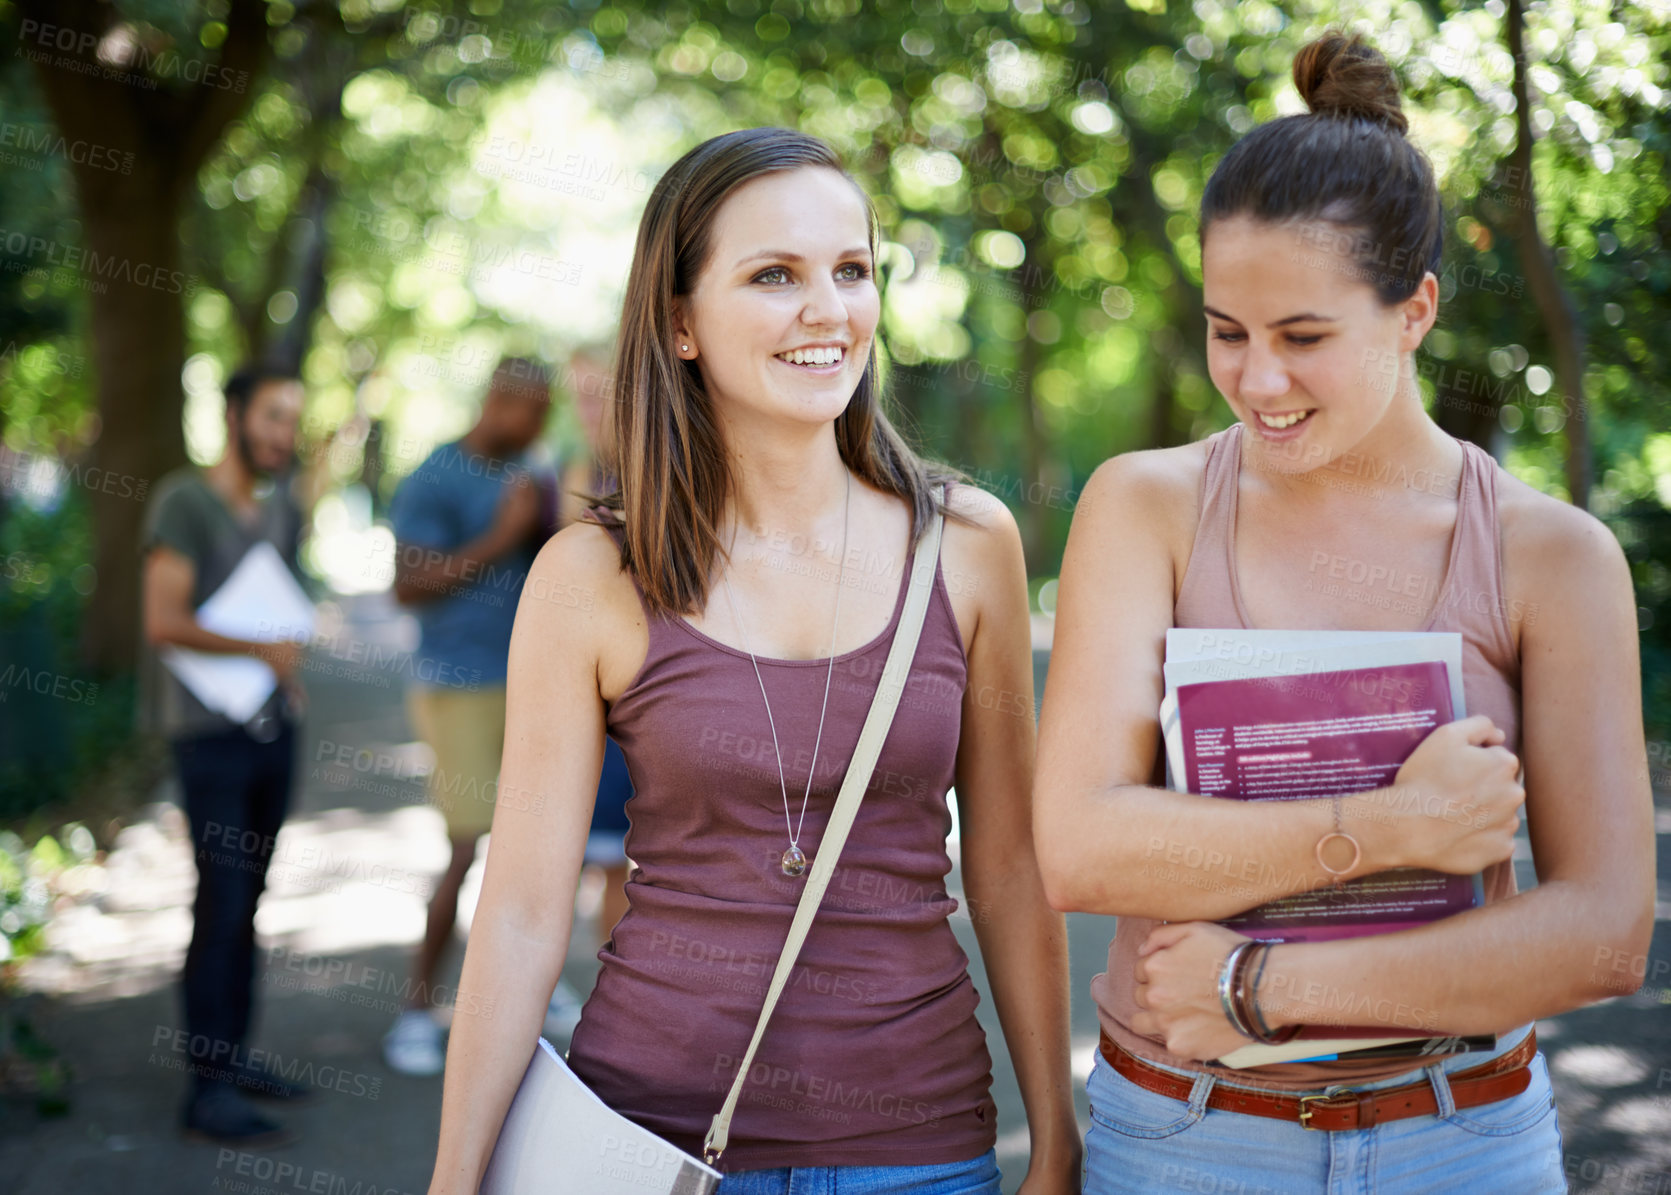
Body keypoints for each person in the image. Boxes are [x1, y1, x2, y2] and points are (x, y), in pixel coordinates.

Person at [1034, 32, 1655, 1194]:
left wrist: (1260, 987)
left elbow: (1604, 932)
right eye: (1229, 332)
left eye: (1305, 337)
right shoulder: (1147, 506)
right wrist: (1393, 825)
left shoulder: (1554, 556)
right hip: (1188, 1138)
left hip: (1462, 1138)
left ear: (1415, 311)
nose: (1258, 380)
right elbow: (1078, 847)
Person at [427, 128, 1081, 1194]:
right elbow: (523, 907)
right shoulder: (590, 573)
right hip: (648, 1143)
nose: (828, 308)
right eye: (775, 274)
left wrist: (1056, 1134)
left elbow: (1010, 868)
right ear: (680, 321)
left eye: (852, 270)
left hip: (916, 1151)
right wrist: (455, 1179)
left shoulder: (968, 545)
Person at [140, 365, 314, 1147]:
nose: (285, 433)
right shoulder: (184, 501)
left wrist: (286, 674)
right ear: (235, 413)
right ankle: (204, 1090)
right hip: (208, 739)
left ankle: (234, 1059)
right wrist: (263, 648)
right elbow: (162, 620)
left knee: (250, 900)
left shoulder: (276, 508)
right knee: (220, 902)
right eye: (273, 416)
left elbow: (276, 619)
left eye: (293, 420)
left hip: (271, 731)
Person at [382, 356, 558, 1076]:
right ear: (497, 398)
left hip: (528, 684)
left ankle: (529, 994)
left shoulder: (532, 472)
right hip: (457, 686)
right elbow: (407, 586)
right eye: (533, 407)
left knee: (536, 850)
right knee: (464, 848)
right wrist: (498, 535)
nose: (541, 422)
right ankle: (417, 1010)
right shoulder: (432, 478)